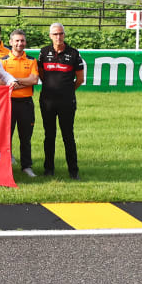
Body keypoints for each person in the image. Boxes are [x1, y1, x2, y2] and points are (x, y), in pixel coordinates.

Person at [38, 22, 85, 180]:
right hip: (47, 102)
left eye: (61, 34)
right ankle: (49, 169)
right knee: (49, 135)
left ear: (64, 35)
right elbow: (42, 75)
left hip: (66, 102)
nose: (58, 37)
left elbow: (79, 79)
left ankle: (73, 171)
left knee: (68, 136)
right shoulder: (44, 52)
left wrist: (66, 91)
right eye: (55, 34)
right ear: (50, 36)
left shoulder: (73, 53)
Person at [1, 29, 40, 178]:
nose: (19, 43)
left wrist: (14, 81)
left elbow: (34, 80)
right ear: (10, 42)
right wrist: (24, 81)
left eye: (22, 40)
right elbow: (1, 82)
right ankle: (5, 165)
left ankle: (26, 166)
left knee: (26, 137)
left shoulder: (31, 60)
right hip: (8, 103)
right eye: (16, 40)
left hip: (26, 103)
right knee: (6, 136)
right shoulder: (3, 60)